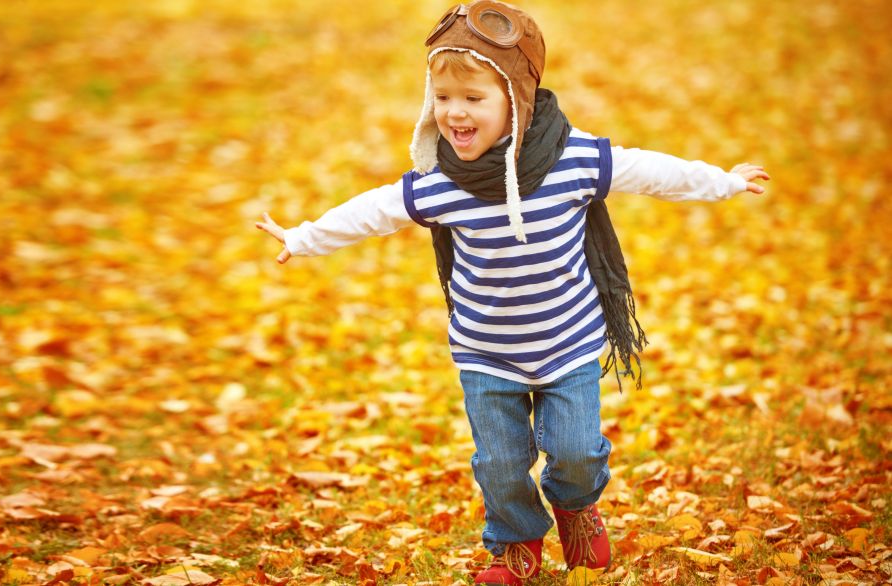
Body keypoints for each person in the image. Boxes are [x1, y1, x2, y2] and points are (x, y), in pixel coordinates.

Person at [255, 1, 769, 583]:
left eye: (474, 99)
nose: (454, 113)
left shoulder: (574, 161)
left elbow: (650, 171)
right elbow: (373, 211)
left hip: (568, 342)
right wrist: (303, 238)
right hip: (485, 352)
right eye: (443, 97)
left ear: (516, 101)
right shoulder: (441, 183)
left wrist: (722, 182)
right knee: (499, 465)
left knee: (575, 453)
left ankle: (576, 507)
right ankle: (517, 542)